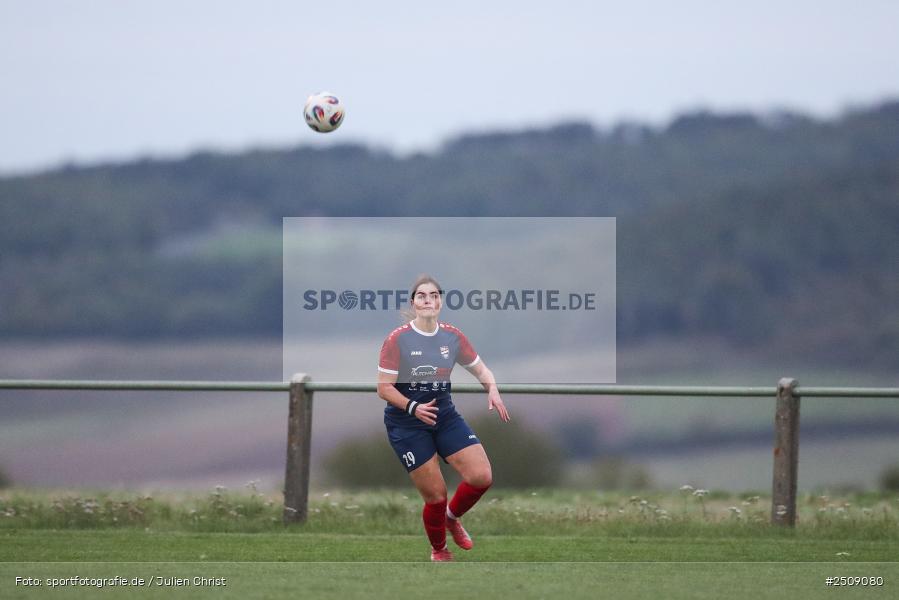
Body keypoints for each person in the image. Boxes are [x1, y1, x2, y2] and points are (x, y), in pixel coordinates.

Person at [377, 274, 511, 562]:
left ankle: (452, 518)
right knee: (436, 496)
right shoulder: (397, 340)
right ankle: (439, 550)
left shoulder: (452, 336)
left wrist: (493, 390)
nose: (429, 300)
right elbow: (383, 388)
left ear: (440, 302)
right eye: (422, 296)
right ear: (413, 303)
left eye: (434, 296)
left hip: (443, 415)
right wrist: (412, 406)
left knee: (481, 476)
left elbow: (481, 370)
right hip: (407, 423)